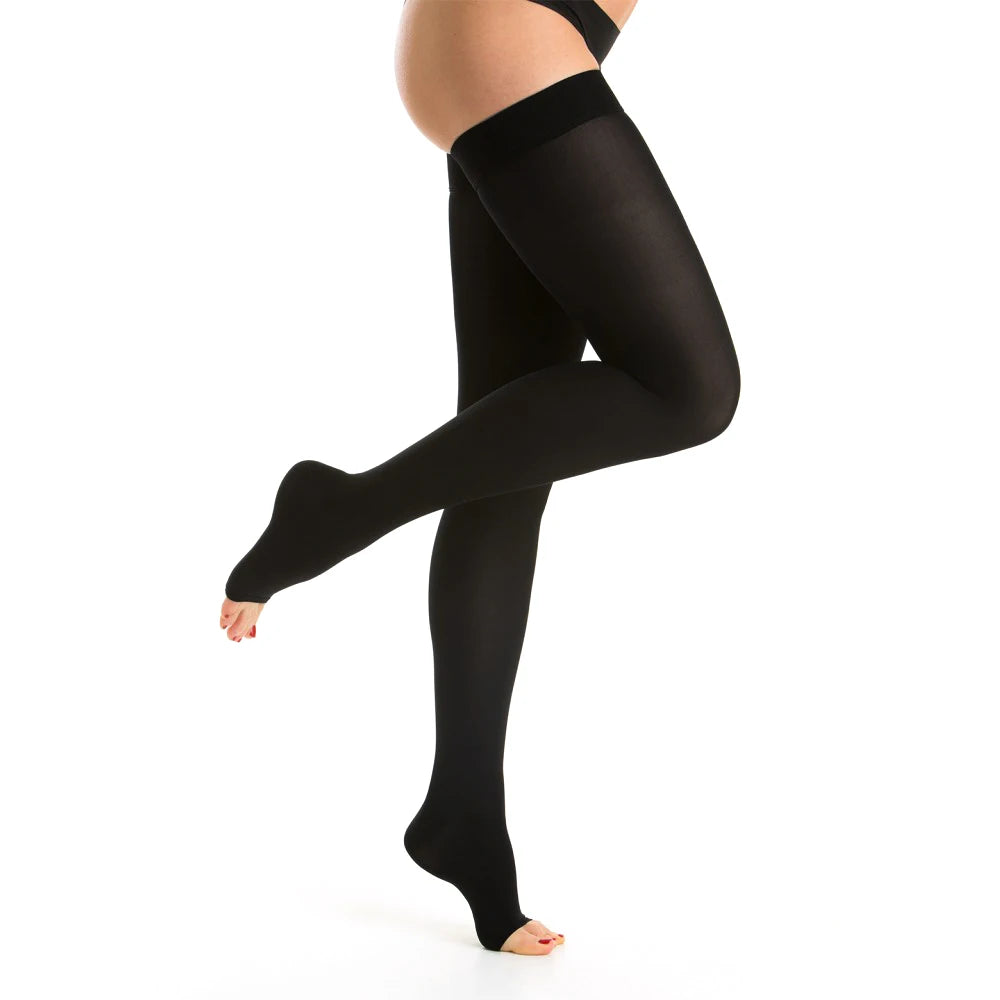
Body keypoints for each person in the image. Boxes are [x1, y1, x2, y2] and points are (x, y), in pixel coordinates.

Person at [218, 0, 740, 956]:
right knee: (690, 390)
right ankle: (336, 510)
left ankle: (463, 811)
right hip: (514, 38)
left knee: (506, 467)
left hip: (523, 43)